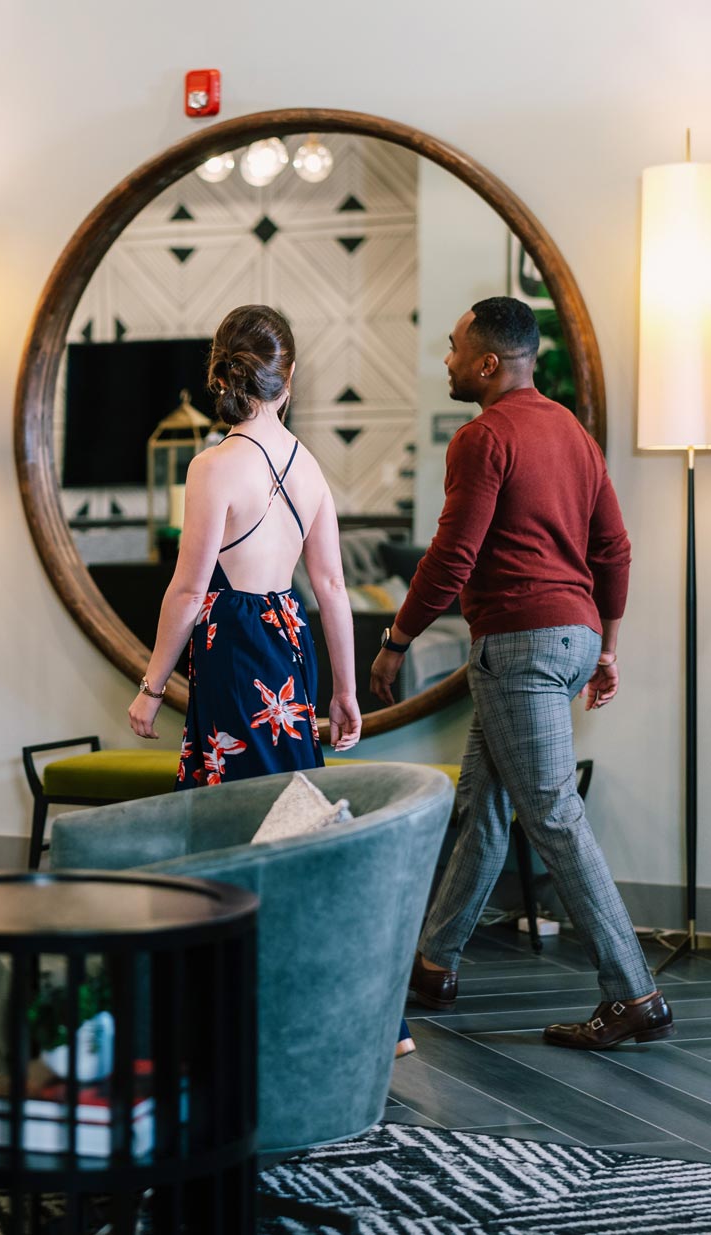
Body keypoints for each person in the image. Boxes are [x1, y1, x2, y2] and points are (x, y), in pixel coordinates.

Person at [371, 297, 672, 1050]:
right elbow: (615, 548)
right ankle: (434, 964)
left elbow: (452, 556)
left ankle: (633, 991)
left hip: (521, 646)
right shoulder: (570, 430)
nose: (444, 360)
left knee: (554, 815)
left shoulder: (483, 437)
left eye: (451, 347)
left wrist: (397, 637)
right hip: (568, 639)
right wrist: (606, 647)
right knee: (482, 804)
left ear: (486, 362)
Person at [129, 304, 417, 1057]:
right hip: (291, 646)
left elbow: (190, 593)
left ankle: (235, 1006)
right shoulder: (309, 465)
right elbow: (329, 586)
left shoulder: (214, 466)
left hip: (234, 647)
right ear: (287, 381)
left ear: (222, 375)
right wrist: (344, 692)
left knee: (234, 828)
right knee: (298, 818)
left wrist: (153, 683)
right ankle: (365, 1008)